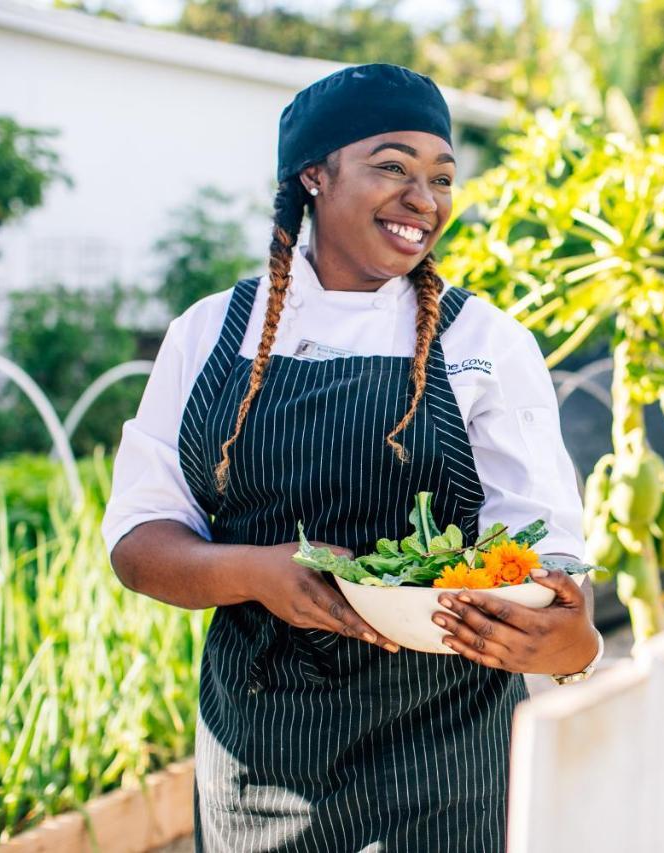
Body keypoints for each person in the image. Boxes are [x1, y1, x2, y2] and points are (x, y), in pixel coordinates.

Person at [102, 63, 603, 851]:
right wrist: (258, 572)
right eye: (392, 167)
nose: (425, 199)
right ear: (313, 175)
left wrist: (573, 639)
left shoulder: (485, 343)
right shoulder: (208, 335)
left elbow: (545, 563)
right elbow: (139, 542)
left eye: (441, 177)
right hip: (261, 758)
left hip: (448, 761)